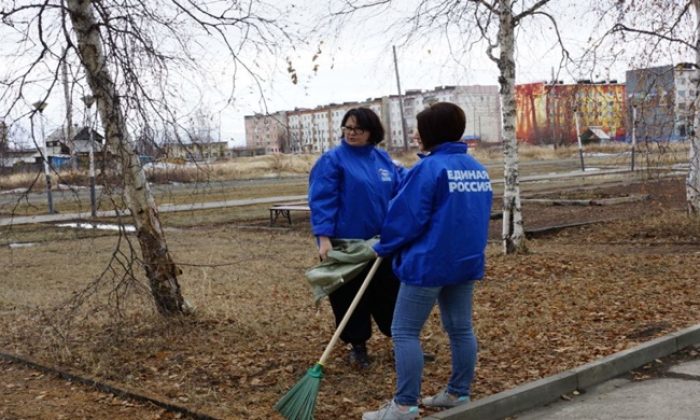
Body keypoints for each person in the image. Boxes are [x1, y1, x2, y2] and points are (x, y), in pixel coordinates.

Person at [363, 102, 493, 419]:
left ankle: (404, 405)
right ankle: (457, 393)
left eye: (419, 130)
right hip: (464, 261)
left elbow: (407, 217)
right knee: (460, 328)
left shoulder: (429, 169)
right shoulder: (477, 168)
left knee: (405, 331)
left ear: (431, 132)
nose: (415, 135)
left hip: (428, 264)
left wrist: (385, 245)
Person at [308, 107, 403, 369]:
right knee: (350, 296)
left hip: (381, 244)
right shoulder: (333, 160)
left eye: (357, 129)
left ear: (371, 132)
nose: (351, 133)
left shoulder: (383, 160)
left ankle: (402, 343)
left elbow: (402, 189)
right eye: (347, 128)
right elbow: (322, 200)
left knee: (390, 293)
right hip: (346, 244)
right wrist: (323, 238)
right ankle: (357, 346)